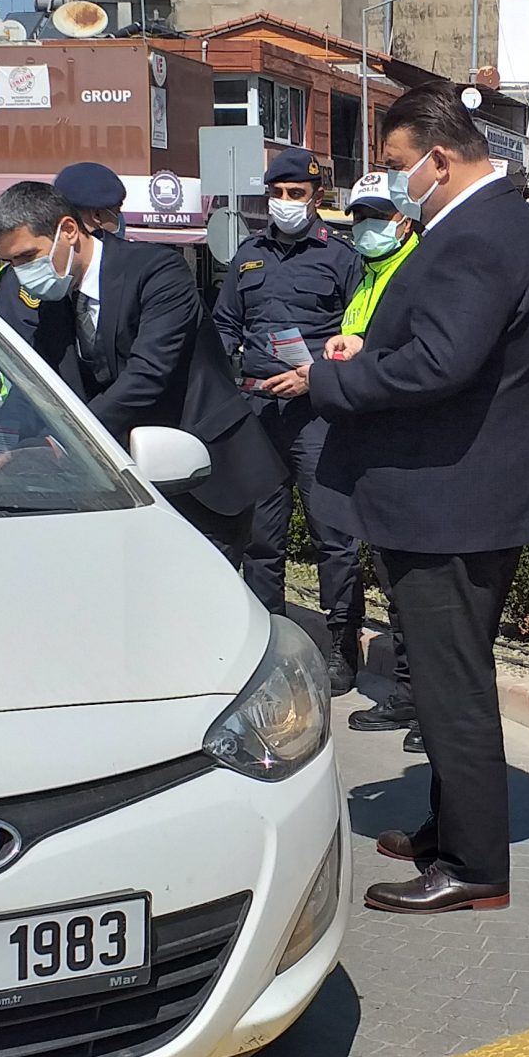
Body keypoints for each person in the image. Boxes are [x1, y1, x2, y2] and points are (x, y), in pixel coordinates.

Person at [303, 83, 529, 914]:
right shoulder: (491, 224)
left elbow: (439, 365)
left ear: (440, 159)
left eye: (396, 164)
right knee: (452, 674)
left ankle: (475, 866)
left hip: (453, 501)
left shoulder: (477, 234)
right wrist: (368, 350)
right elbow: (448, 348)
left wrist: (330, 380)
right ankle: (449, 830)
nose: (391, 181)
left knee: (452, 685)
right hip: (461, 493)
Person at [0, 180, 282, 563]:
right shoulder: (53, 300)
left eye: (28, 257)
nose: (22, 272)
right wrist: (2, 445)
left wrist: (69, 438)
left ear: (68, 230)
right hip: (118, 484)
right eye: (10, 262)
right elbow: (41, 381)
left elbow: (149, 372)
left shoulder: (156, 270)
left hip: (202, 472)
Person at [216, 148, 371, 691]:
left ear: (316, 197)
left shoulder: (341, 257)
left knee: (334, 535)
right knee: (262, 539)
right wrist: (226, 366)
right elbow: (225, 323)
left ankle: (341, 646)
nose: (284, 202)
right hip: (259, 410)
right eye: (277, 194)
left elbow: (360, 334)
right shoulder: (248, 256)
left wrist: (317, 376)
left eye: (296, 194)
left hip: (317, 414)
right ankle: (269, 647)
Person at [326, 176, 420, 747]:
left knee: (416, 586)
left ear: (404, 220)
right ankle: (409, 693)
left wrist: (364, 355)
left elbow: (414, 358)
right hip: (371, 439)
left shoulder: (416, 271)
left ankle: (425, 703)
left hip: (405, 447)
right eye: (359, 216)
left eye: (377, 216)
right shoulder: (369, 273)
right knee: (393, 579)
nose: (365, 227)